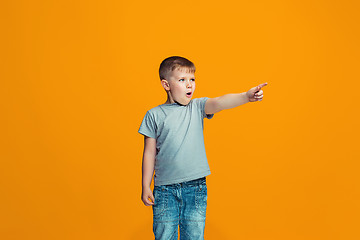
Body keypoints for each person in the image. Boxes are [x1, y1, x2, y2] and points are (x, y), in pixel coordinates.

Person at [138, 56, 267, 240]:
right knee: (164, 236)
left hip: (195, 188)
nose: (189, 85)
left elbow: (220, 102)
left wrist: (245, 97)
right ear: (166, 84)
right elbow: (149, 153)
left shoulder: (197, 107)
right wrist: (145, 185)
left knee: (194, 236)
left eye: (192, 79)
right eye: (182, 80)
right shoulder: (154, 115)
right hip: (164, 190)